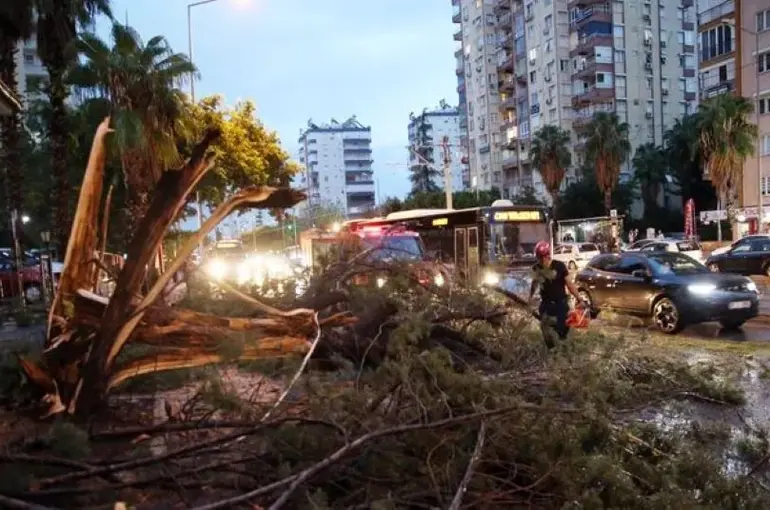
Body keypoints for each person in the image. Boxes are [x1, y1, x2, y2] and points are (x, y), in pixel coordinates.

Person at [528, 241, 585, 349]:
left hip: (561, 305)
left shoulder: (559, 266)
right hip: (546, 305)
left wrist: (579, 298)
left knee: (562, 332)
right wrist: (529, 299)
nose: (542, 260)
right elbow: (534, 284)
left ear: (548, 255)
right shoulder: (536, 269)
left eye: (544, 257)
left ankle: (563, 354)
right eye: (539, 257)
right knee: (547, 332)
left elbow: (569, 284)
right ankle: (552, 352)